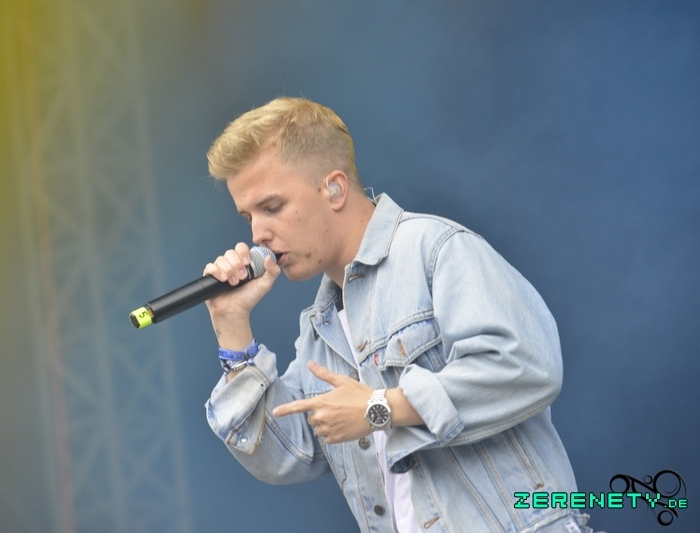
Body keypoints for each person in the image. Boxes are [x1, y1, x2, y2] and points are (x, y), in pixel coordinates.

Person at [201, 97, 593, 532]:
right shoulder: (319, 327)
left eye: (271, 207)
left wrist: (379, 407)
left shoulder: (435, 249)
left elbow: (527, 367)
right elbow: (286, 456)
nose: (257, 233)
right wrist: (231, 325)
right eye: (248, 216)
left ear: (334, 189)